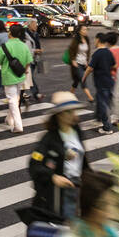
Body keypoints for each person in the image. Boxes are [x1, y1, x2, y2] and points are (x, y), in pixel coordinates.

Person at [28, 93, 90, 221]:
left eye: (74, 111)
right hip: (59, 192)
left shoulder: (76, 131)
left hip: (77, 186)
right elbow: (34, 165)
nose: (74, 115)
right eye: (69, 112)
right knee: (64, 225)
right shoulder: (49, 139)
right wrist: (53, 177)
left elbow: (82, 160)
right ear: (59, 115)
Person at [0, 22, 33, 133]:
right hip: (20, 76)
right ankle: (9, 118)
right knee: (16, 98)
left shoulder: (5, 46)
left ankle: (18, 126)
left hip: (8, 76)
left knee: (12, 100)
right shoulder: (23, 45)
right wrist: (24, 70)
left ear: (10, 33)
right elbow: (29, 61)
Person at [82, 32, 117, 134]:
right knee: (104, 102)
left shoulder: (97, 53)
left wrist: (83, 77)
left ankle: (107, 128)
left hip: (101, 83)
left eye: (95, 39)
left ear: (98, 40)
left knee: (103, 105)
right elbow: (114, 66)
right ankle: (99, 118)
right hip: (110, 81)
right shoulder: (109, 52)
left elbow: (90, 68)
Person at [66, 26, 93, 102]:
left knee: (76, 80)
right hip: (77, 63)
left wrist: (87, 61)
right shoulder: (76, 40)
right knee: (82, 79)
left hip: (83, 63)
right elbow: (70, 50)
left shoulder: (86, 39)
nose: (86, 31)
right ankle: (90, 97)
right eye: (84, 29)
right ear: (79, 31)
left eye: (86, 29)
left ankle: (70, 94)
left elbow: (88, 51)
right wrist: (73, 60)